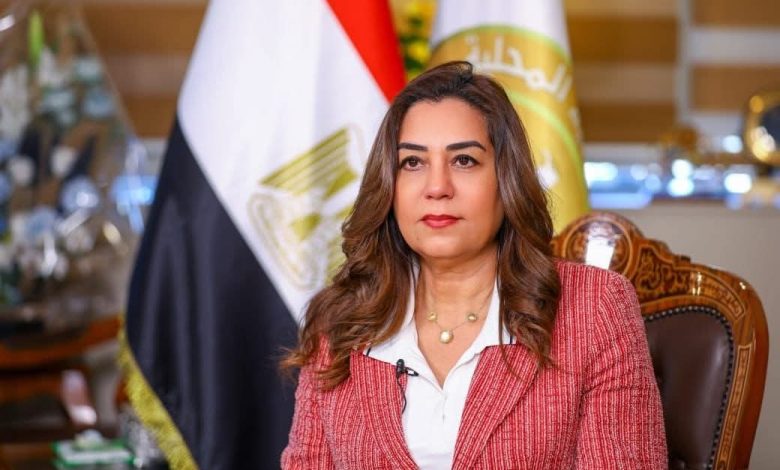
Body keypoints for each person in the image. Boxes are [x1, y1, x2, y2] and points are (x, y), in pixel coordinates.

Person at [281, 61, 666, 469]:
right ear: (389, 187)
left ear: (506, 180)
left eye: (464, 160)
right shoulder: (340, 318)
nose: (437, 188)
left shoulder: (594, 306)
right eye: (412, 163)